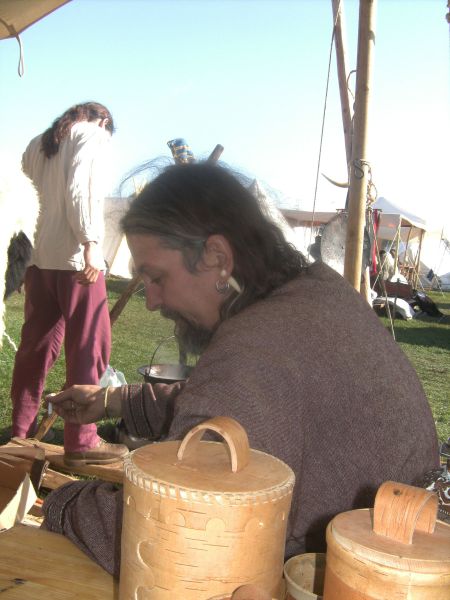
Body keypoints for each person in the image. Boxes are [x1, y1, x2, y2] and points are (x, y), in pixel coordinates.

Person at [42, 162, 439, 578]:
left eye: (156, 278)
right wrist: (114, 400)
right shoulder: (316, 290)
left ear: (218, 258)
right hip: (406, 549)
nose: (152, 301)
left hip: (369, 578)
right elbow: (234, 407)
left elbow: (176, 535)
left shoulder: (256, 346)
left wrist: (62, 501)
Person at [10, 102, 128, 465]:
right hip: (76, 261)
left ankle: (20, 432)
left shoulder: (37, 144)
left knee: (34, 349)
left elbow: (21, 200)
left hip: (39, 261)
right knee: (89, 348)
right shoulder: (91, 134)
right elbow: (83, 189)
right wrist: (91, 242)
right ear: (103, 120)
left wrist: (21, 255)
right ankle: (82, 441)